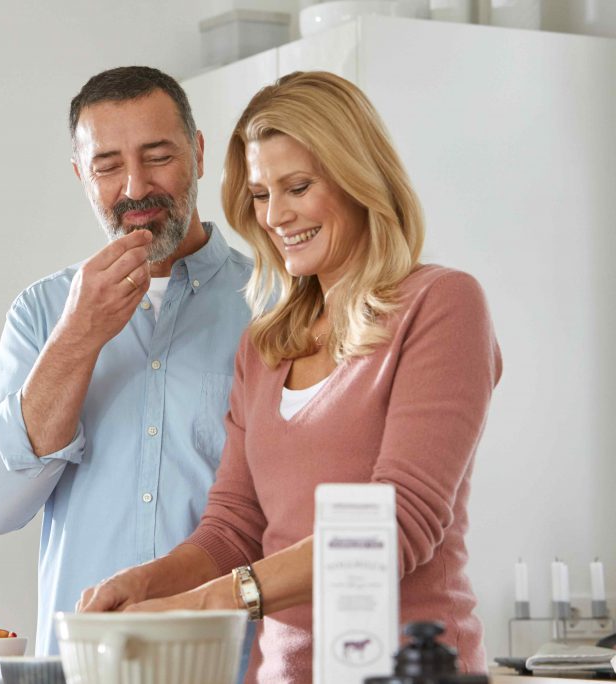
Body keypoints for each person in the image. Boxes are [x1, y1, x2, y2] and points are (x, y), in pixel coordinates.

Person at [77, 70, 503, 683]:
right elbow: (232, 530)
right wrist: (140, 584)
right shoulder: (266, 346)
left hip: (409, 673)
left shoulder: (441, 305)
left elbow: (396, 525)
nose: (275, 216)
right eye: (259, 194)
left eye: (297, 186)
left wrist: (199, 603)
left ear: (360, 178)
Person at [0, 66, 257, 662]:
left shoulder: (273, 305)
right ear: (81, 175)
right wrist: (76, 339)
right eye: (108, 166)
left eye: (157, 156)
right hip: (83, 668)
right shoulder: (42, 313)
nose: (134, 187)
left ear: (197, 153)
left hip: (232, 666)